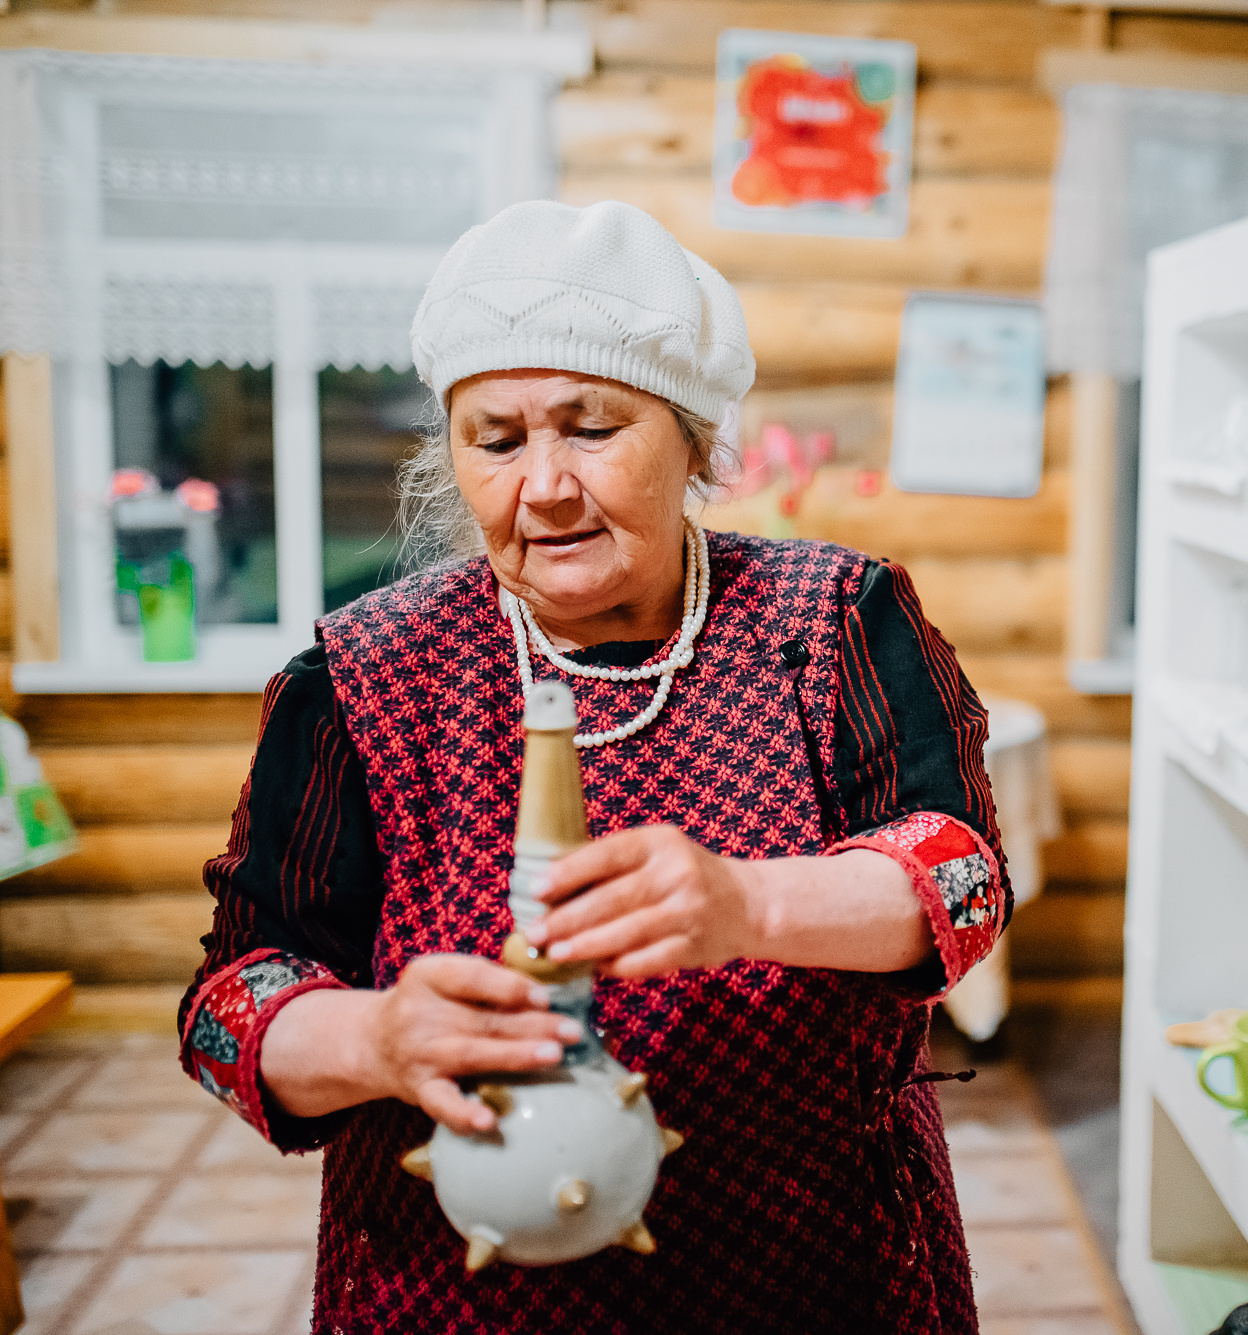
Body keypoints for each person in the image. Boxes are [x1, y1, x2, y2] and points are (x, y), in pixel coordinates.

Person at [178, 200, 1009, 1333]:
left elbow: (961, 882)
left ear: (695, 439)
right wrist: (373, 1040)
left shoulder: (832, 619)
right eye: (499, 439)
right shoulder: (362, 677)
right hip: (458, 1292)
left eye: (592, 426)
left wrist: (748, 898)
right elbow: (229, 1005)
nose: (548, 487)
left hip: (813, 1265)